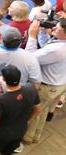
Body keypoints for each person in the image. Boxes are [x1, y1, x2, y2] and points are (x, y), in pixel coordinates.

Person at [21, 18, 66, 147]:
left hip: (47, 86)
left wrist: (32, 36)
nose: (54, 29)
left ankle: (27, 137)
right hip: (59, 84)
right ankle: (36, 135)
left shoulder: (59, 49)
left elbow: (30, 58)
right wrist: (42, 34)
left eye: (58, 29)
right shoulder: (59, 45)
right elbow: (48, 48)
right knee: (43, 110)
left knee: (34, 112)